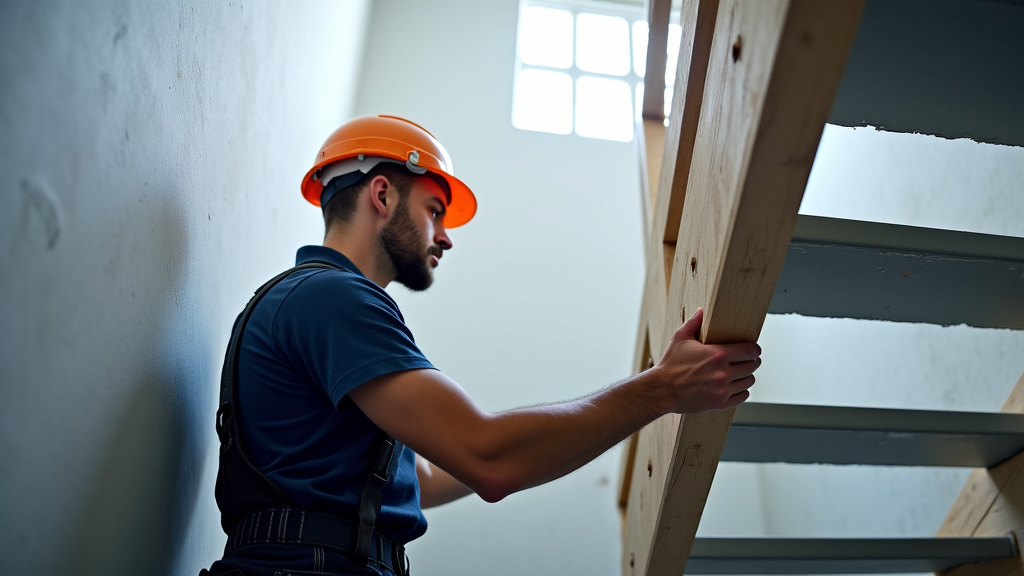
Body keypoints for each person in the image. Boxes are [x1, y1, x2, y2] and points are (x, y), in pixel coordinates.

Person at [203, 115, 761, 576]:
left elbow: (424, 479)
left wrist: (545, 442)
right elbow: (488, 458)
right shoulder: (332, 298)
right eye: (434, 211)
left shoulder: (317, 304)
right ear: (382, 194)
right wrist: (661, 389)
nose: (445, 237)